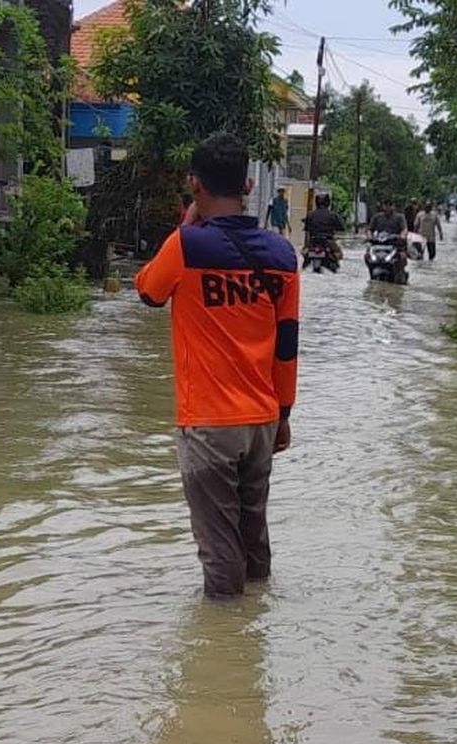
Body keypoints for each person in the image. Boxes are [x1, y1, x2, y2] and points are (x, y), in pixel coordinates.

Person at [135, 134, 300, 599]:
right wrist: (283, 415)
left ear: (193, 184)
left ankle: (224, 649)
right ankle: (257, 631)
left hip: (209, 422)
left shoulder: (186, 247)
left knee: (219, 553)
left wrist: (185, 224)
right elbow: (287, 345)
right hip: (262, 420)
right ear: (249, 185)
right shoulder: (282, 255)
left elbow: (147, 291)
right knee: (253, 540)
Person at [302, 193, 344, 262]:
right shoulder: (332, 215)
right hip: (328, 240)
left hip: (313, 240)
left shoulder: (310, 214)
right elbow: (340, 227)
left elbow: (307, 229)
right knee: (339, 254)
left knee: (304, 252)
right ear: (328, 202)